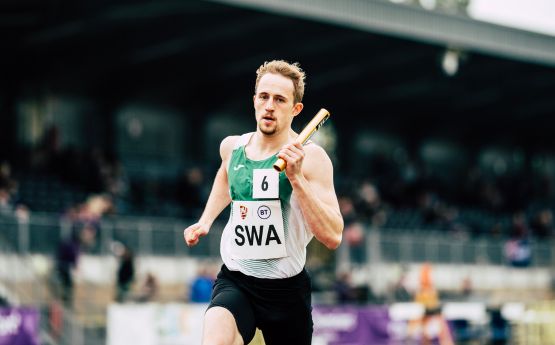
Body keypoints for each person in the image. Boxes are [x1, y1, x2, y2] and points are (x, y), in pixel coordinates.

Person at [183, 60, 343, 345]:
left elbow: (332, 236)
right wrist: (205, 220)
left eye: (280, 99)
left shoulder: (312, 159)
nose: (270, 105)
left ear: (296, 110)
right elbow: (224, 176)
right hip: (237, 279)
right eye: (264, 96)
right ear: (254, 100)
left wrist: (297, 179)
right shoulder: (232, 147)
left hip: (286, 290)